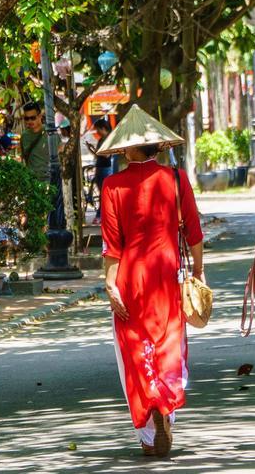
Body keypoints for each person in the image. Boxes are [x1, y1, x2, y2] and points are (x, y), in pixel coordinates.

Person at [98, 105, 205, 458]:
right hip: (166, 274)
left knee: (134, 348)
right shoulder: (175, 179)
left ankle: (147, 429)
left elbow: (112, 245)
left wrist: (111, 286)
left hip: (130, 275)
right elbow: (194, 231)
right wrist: (199, 272)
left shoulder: (112, 185)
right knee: (167, 344)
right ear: (156, 146)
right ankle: (166, 409)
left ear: (128, 148)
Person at [86, 119, 114, 224]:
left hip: (105, 168)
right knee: (102, 193)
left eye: (97, 129)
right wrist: (91, 149)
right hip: (100, 167)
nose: (97, 132)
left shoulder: (108, 139)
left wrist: (96, 151)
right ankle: (102, 215)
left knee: (104, 194)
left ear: (103, 128)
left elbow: (106, 155)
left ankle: (100, 215)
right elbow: (98, 154)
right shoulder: (102, 139)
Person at [20, 101, 50, 182]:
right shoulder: (24, 136)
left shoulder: (50, 132)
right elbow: (24, 157)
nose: (29, 121)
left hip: (48, 180)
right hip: (32, 181)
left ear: (40, 116)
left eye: (33, 118)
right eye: (27, 118)